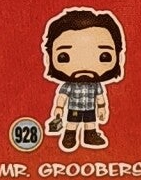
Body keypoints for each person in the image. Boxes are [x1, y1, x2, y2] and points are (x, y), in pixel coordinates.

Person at [41, 8, 126, 151]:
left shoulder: (96, 85)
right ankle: (69, 136)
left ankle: (90, 135)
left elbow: (100, 97)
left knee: (90, 122)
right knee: (72, 123)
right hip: (74, 108)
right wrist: (59, 108)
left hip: (90, 108)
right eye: (64, 56)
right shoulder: (69, 85)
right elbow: (62, 96)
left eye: (104, 56)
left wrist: (102, 108)